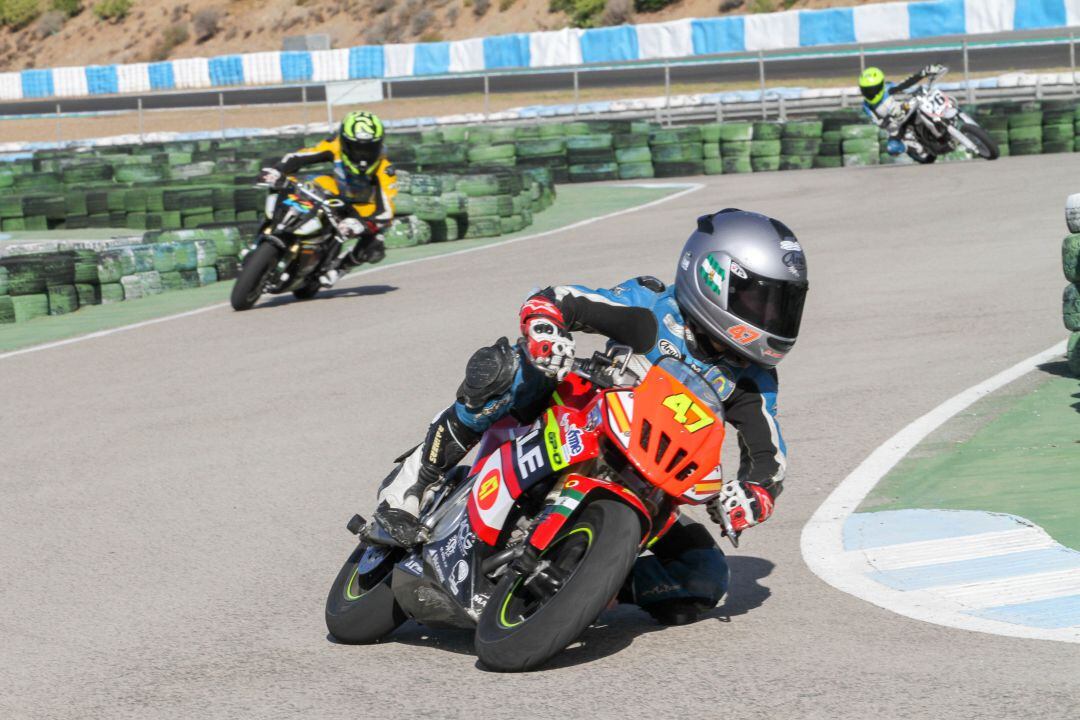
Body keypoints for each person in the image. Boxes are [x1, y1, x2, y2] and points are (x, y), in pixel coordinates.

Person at [373, 208, 809, 625]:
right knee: (511, 367)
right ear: (713, 276)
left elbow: (768, 453)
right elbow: (561, 299)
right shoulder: (654, 310)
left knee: (705, 577)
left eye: (783, 306)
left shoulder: (752, 380)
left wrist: (754, 495)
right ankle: (416, 478)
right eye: (761, 301)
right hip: (576, 420)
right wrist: (547, 331)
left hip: (650, 479)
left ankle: (588, 585)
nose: (773, 317)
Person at [258, 110, 396, 287]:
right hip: (334, 191)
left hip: (361, 209)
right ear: (344, 142)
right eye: (357, 147)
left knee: (376, 243)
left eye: (369, 148)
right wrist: (278, 170)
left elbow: (386, 210)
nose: (362, 155)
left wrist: (364, 223)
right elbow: (300, 157)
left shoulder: (386, 170)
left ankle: (341, 268)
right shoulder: (334, 145)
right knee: (293, 187)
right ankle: (273, 227)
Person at [859, 64, 947, 158]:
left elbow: (906, 83)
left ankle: (944, 119)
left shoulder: (888, 88)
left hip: (907, 110)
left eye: (873, 89)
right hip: (896, 125)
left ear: (881, 84)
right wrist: (890, 118)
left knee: (924, 101)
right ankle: (916, 148)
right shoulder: (866, 106)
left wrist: (923, 73)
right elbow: (880, 123)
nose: (870, 93)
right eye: (866, 90)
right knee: (892, 148)